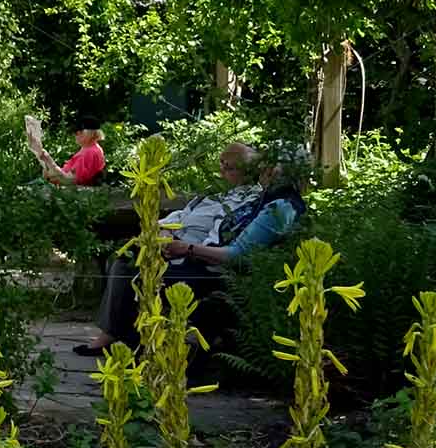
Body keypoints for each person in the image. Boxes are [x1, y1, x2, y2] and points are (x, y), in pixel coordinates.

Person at [72, 145, 306, 355]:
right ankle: (124, 337)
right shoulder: (264, 199)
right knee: (127, 257)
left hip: (211, 271)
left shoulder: (278, 206)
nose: (263, 169)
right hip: (196, 256)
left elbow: (237, 254)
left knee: (132, 269)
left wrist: (187, 248)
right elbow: (192, 219)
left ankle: (122, 339)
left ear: (282, 172)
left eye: (268, 166)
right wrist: (168, 235)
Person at [30, 117, 106, 188]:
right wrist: (49, 170)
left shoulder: (90, 152)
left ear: (92, 133)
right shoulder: (90, 148)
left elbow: (69, 181)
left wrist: (48, 161)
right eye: (75, 132)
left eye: (80, 131)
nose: (76, 134)